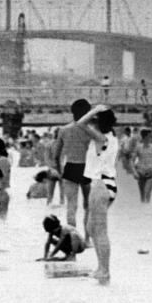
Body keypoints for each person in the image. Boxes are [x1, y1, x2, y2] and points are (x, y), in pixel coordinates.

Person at [77, 104, 118, 284]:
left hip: (102, 183)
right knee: (91, 228)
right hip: (105, 183)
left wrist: (93, 111)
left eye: (96, 121)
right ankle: (101, 267)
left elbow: (80, 124)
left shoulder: (103, 138)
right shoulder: (109, 137)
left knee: (100, 230)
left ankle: (104, 270)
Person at [53, 99, 93, 244]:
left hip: (70, 167)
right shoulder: (91, 131)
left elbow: (56, 155)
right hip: (87, 168)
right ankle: (88, 240)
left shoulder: (64, 130)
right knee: (88, 206)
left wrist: (59, 170)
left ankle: (73, 238)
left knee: (71, 206)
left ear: (72, 112)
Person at [132, 128, 152, 203]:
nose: (151, 137)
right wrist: (134, 172)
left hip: (150, 172)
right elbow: (132, 161)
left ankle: (147, 210)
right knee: (142, 195)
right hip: (140, 172)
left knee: (147, 193)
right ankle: (143, 212)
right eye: (149, 136)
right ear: (145, 137)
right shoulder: (138, 147)